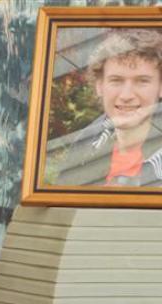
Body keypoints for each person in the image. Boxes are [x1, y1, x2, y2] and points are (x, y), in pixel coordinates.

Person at [52, 28, 162, 186]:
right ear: (99, 86)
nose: (126, 95)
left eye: (142, 81)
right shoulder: (86, 141)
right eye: (116, 80)